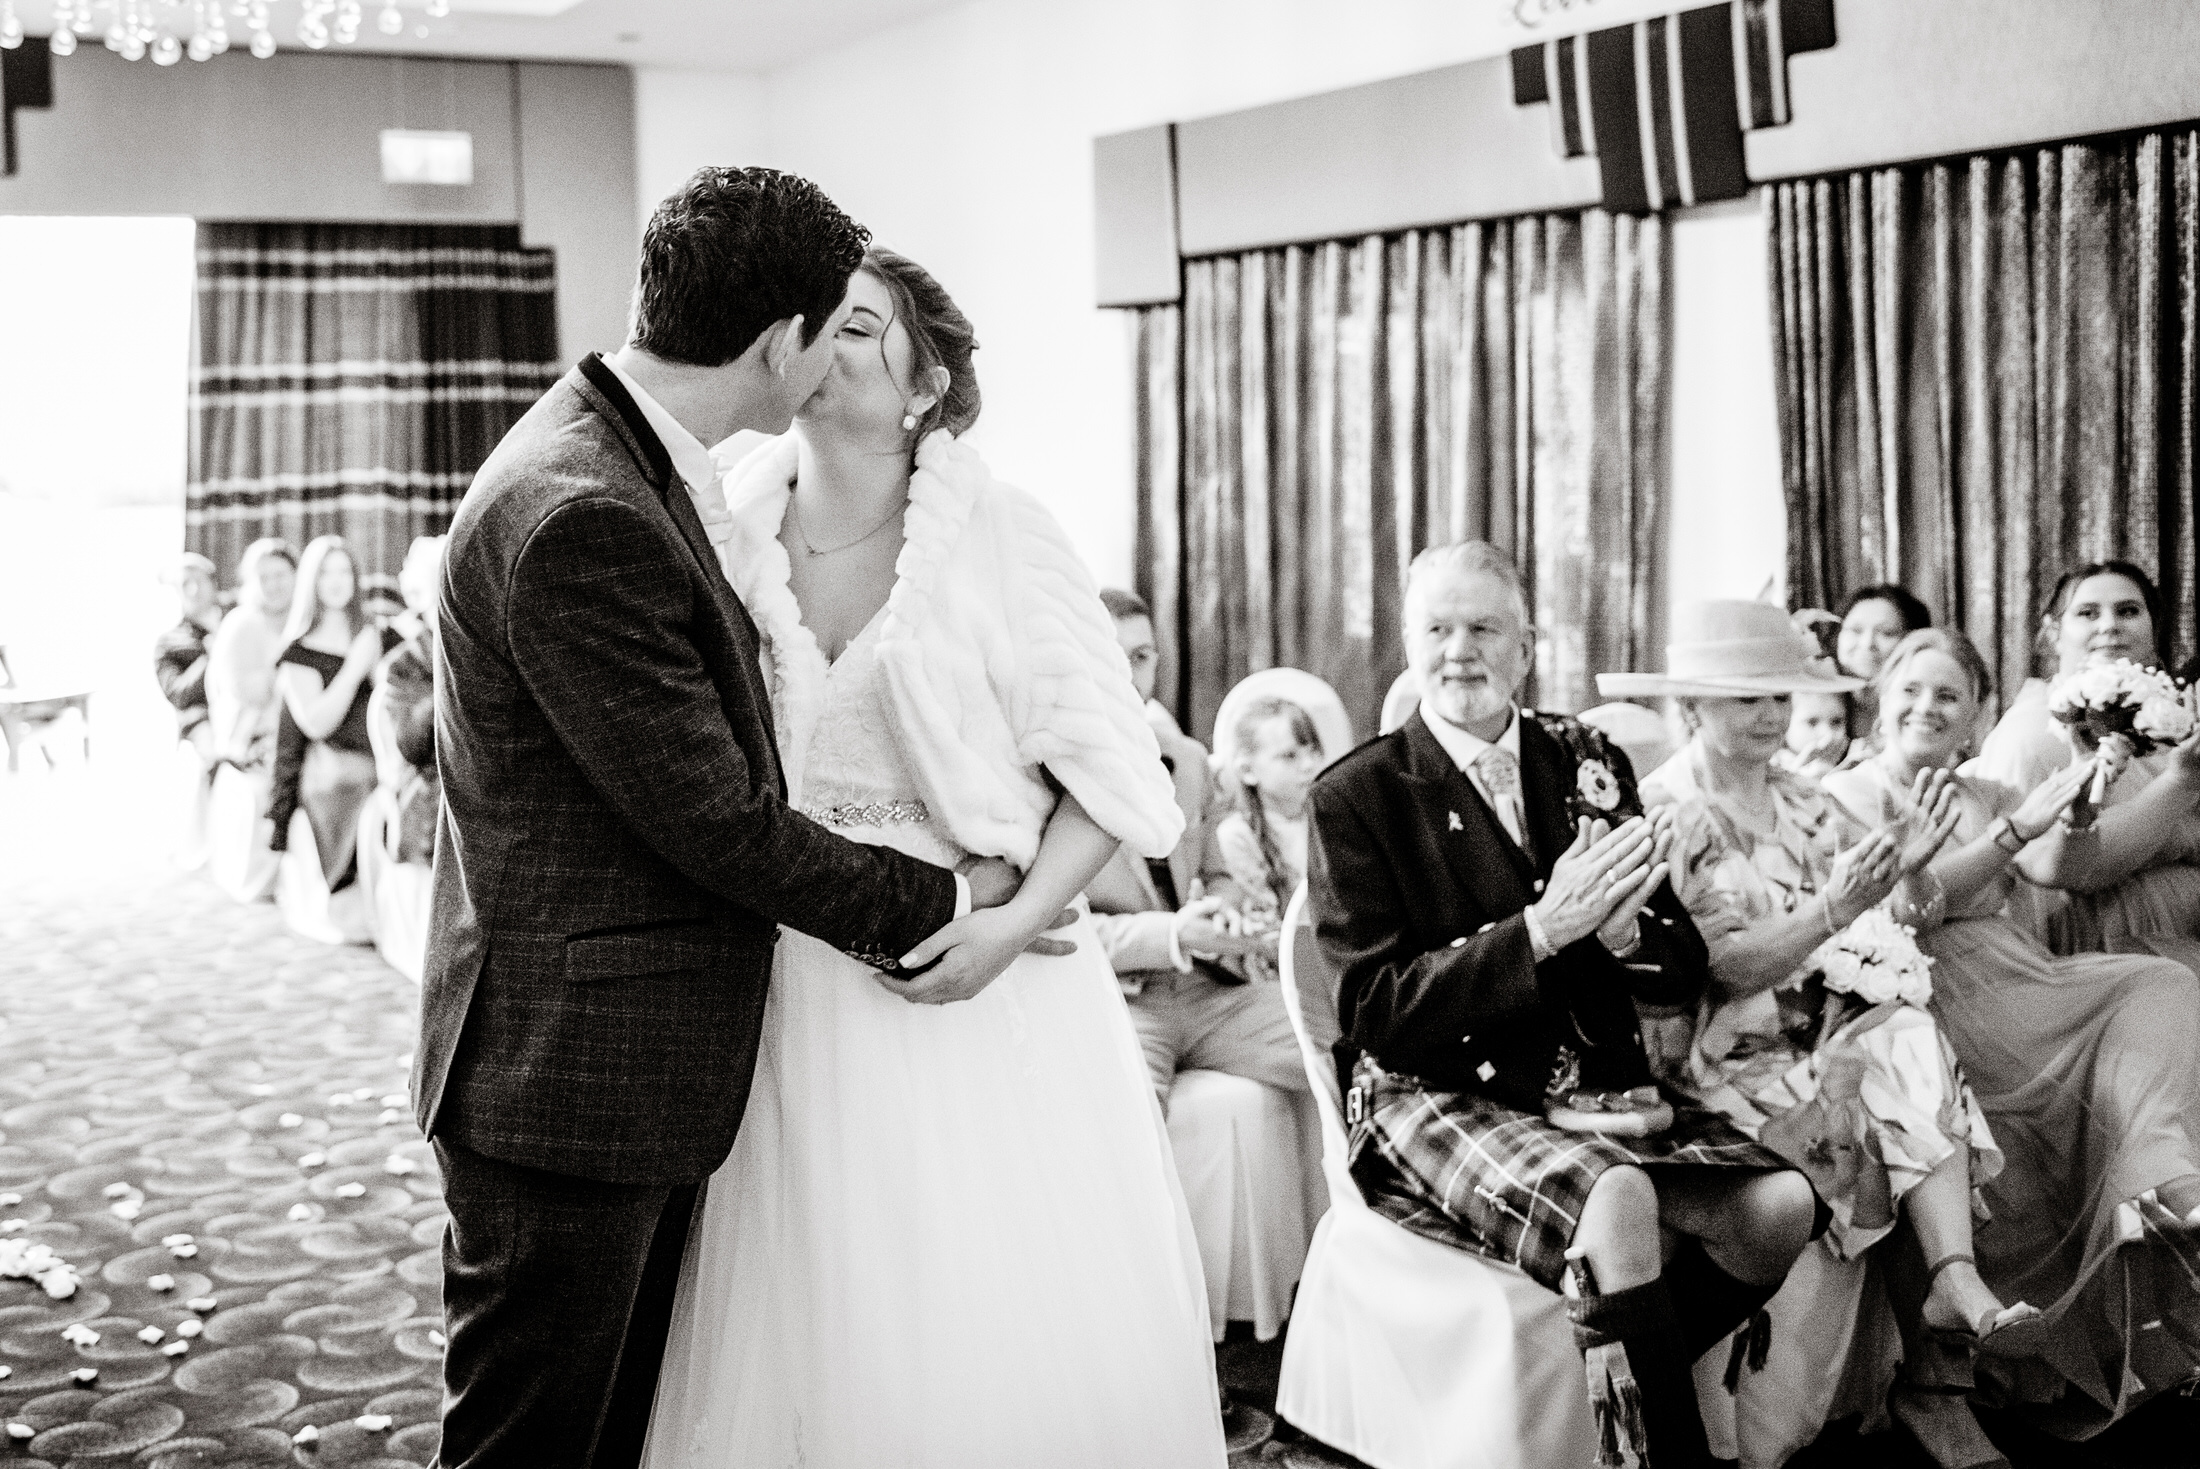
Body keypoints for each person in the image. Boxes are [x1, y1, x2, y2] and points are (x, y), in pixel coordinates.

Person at [417, 171, 1070, 1469]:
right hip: (574, 1078)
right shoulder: (587, 510)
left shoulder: (617, 453)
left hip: (612, 1058)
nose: (833, 363)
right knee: (532, 1444)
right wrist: (957, 898)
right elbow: (720, 821)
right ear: (782, 339)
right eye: (836, 331)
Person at [640, 243, 1223, 1467]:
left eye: (859, 328)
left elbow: (1112, 776)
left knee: (971, 1295)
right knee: (805, 1299)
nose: (822, 343)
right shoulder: (723, 513)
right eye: (817, 321)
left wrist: (1012, 929)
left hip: (979, 980)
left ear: (924, 384)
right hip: (783, 967)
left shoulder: (1006, 536)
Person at [1308, 541, 1817, 1469]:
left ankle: (1627, 1367)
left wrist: (1622, 936)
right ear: (1410, 641)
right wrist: (1541, 931)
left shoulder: (1586, 757)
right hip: (1433, 1085)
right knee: (1619, 1197)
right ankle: (1666, 1452)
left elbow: (1677, 966)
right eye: (1437, 627)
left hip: (1590, 1077)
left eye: (1483, 626)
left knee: (1780, 1205)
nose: (1458, 649)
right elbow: (1376, 1009)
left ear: (1526, 646)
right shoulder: (1358, 793)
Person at [1608, 601, 2026, 1469]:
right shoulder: (1665, 815)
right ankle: (1932, 1341)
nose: (1769, 716)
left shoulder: (1807, 798)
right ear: (1692, 707)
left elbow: (1879, 921)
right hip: (1717, 1065)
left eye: (1779, 698)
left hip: (1818, 1040)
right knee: (1893, 1061)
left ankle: (1951, 1282)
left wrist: (1901, 871)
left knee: (1908, 1032)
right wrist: (1833, 907)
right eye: (1744, 699)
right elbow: (1724, 969)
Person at [1825, 628, 2200, 1437]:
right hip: (1927, 997)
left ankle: (2160, 1173)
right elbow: (1903, 909)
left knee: (2165, 983)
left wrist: (2082, 803)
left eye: (1948, 695)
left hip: (2027, 976)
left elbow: (2061, 866)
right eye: (1911, 690)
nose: (1926, 706)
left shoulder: (1988, 789)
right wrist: (2015, 831)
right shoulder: (1847, 793)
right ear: (1880, 702)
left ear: (1977, 717)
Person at [1086, 591, 1303, 1099]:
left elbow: (1223, 875)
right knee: (1129, 1117)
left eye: (1142, 658)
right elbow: (1057, 927)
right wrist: (1174, 933)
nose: (1129, 677)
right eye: (1111, 658)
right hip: (1118, 999)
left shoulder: (1186, 759)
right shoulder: (1044, 772)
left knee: (1345, 1041)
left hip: (1210, 991)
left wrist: (1223, 912)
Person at [1971, 559, 2200, 968]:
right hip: (2101, 951)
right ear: (2053, 634)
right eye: (2087, 613)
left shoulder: (2174, 721)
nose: (2110, 625)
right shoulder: (2031, 735)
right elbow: (2053, 872)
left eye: (2129, 611)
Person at [267, 536, 397, 889]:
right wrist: (355, 666)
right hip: (332, 759)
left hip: (378, 749)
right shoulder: (299, 651)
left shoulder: (375, 631)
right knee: (356, 781)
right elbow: (317, 723)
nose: (337, 581)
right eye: (326, 573)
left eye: (344, 572)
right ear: (312, 581)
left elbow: (395, 699)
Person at [376, 535, 444, 864]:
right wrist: (448, 683)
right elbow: (410, 744)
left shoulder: (485, 654)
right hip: (428, 796)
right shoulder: (403, 664)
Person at [204, 538, 296, 769]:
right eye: (263, 578)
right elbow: (251, 692)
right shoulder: (241, 624)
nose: (273, 585)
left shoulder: (303, 623)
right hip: (247, 744)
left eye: (280, 575)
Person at [153, 552, 223, 760]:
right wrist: (211, 657)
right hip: (203, 722)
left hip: (246, 709)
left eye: (199, 581)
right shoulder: (169, 643)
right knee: (215, 757)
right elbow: (179, 695)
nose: (194, 590)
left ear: (213, 584)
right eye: (185, 584)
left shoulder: (236, 624)